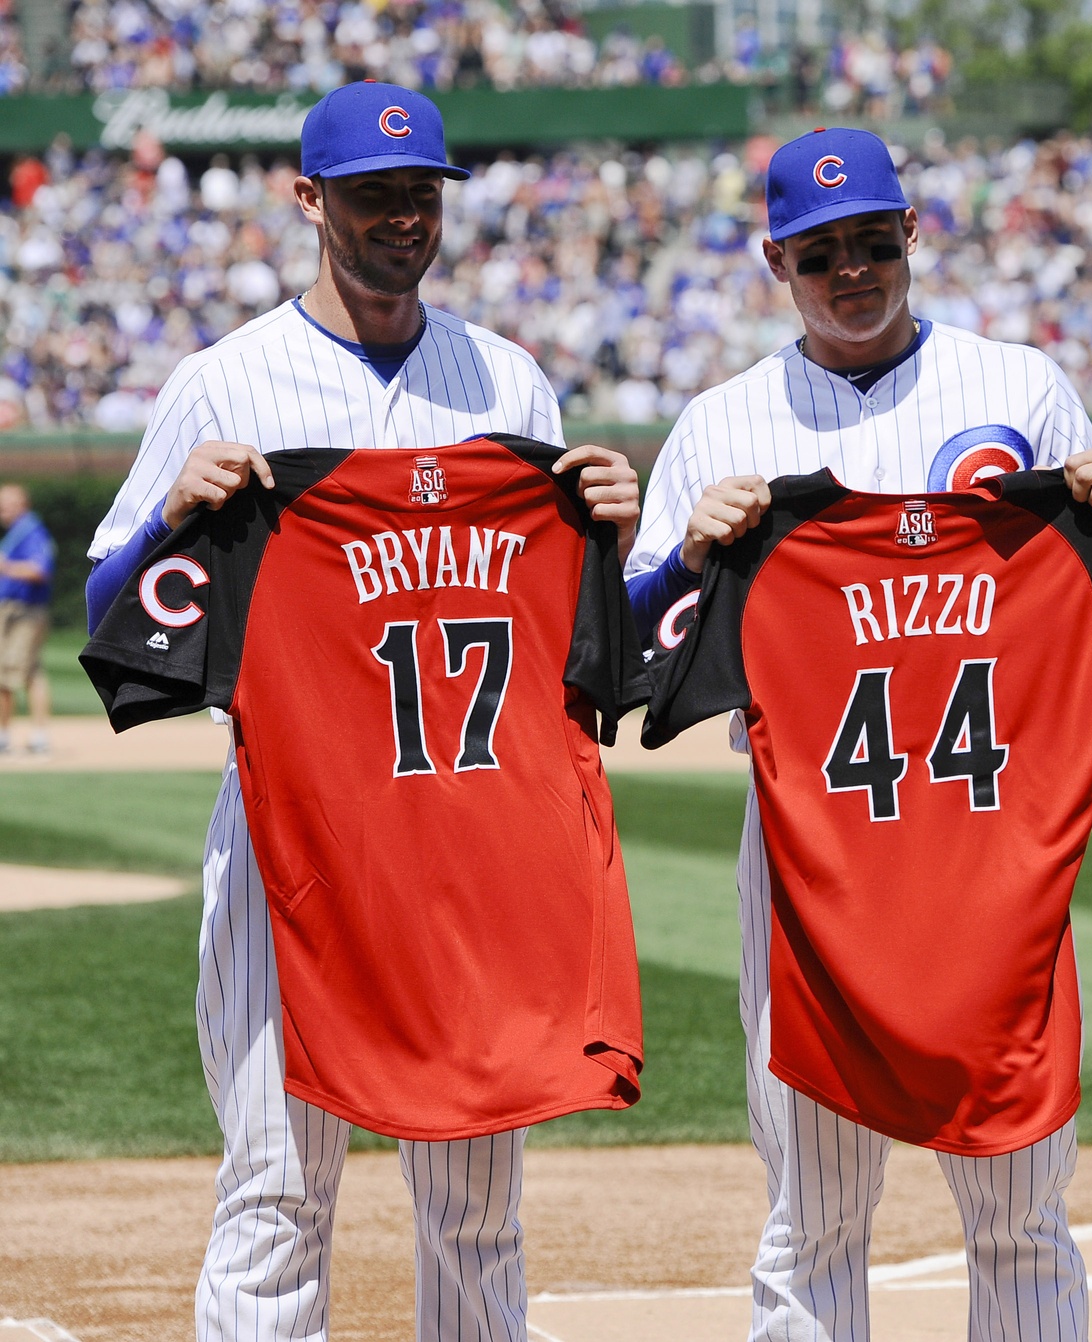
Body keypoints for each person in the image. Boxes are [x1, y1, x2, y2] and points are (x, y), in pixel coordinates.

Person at [86, 82, 640, 1342]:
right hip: (297, 850)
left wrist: (610, 525)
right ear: (308, 199)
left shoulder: (507, 381)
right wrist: (177, 512)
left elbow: (577, 641)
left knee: (476, 1209)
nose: (404, 216)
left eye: (422, 193)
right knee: (278, 1191)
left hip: (473, 847)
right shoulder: (225, 382)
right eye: (375, 193)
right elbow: (109, 612)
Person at [625, 127, 1092, 1342]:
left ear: (913, 236)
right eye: (822, 254)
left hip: (995, 857)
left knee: (1022, 1213)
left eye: (874, 240)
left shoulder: (1018, 388)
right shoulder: (722, 424)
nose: (852, 269)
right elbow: (626, 664)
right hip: (810, 867)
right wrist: (695, 555)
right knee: (812, 1217)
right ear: (777, 262)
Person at [0, 482, 55, 755]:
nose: (2, 510)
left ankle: (7, 735)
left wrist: (6, 567)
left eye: (6, 504)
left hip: (25, 611)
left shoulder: (31, 531)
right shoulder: (17, 532)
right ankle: (37, 734)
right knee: (31, 671)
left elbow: (40, 569)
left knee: (8, 672)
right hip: (16, 610)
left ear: (21, 504)